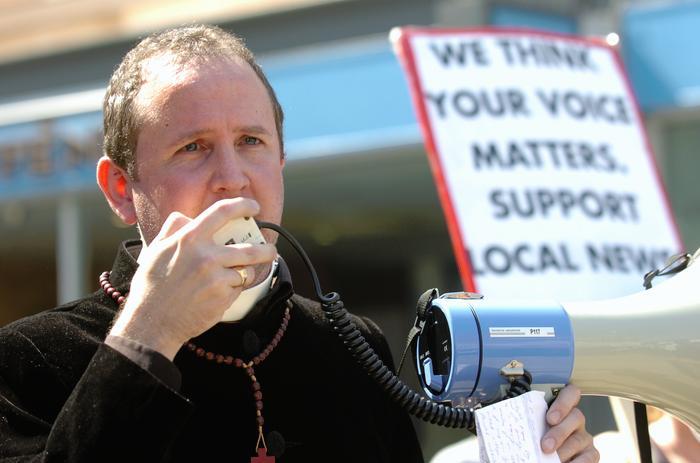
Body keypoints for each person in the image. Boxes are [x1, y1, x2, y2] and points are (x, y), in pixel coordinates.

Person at [0, 25, 598, 462]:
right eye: (193, 147)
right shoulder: (31, 358)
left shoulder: (351, 345)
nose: (232, 176)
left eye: (252, 141)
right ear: (122, 189)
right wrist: (148, 336)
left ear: (282, 161)